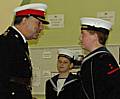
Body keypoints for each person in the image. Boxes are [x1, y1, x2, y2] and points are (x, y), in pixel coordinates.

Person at [0, 3, 49, 99]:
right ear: (24, 20)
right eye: (38, 23)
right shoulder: (6, 42)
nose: (41, 28)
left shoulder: (18, 42)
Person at [79, 17, 120, 99]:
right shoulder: (93, 58)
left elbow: (114, 90)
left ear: (94, 36)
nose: (80, 38)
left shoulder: (104, 59)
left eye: (83, 34)